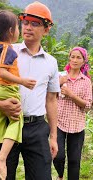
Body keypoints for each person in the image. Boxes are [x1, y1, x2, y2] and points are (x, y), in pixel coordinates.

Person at [0, 1, 60, 179]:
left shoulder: (51, 62)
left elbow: (51, 100)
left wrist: (53, 136)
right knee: (2, 176)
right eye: (25, 22)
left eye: (35, 24)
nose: (28, 27)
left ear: (46, 30)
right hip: (8, 122)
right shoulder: (6, 49)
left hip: (36, 128)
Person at [0, 10, 37, 180]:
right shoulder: (8, 50)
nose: (20, 30)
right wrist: (22, 81)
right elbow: (2, 72)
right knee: (16, 120)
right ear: (11, 31)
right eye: (18, 27)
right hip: (5, 87)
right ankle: (1, 158)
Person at [53, 47, 92, 180]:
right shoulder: (60, 77)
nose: (74, 60)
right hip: (58, 122)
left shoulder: (86, 82)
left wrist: (71, 95)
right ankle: (60, 175)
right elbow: (49, 97)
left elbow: (87, 106)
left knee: (74, 161)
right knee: (58, 155)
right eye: (72, 57)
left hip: (77, 125)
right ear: (69, 58)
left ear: (83, 61)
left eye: (78, 57)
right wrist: (57, 84)